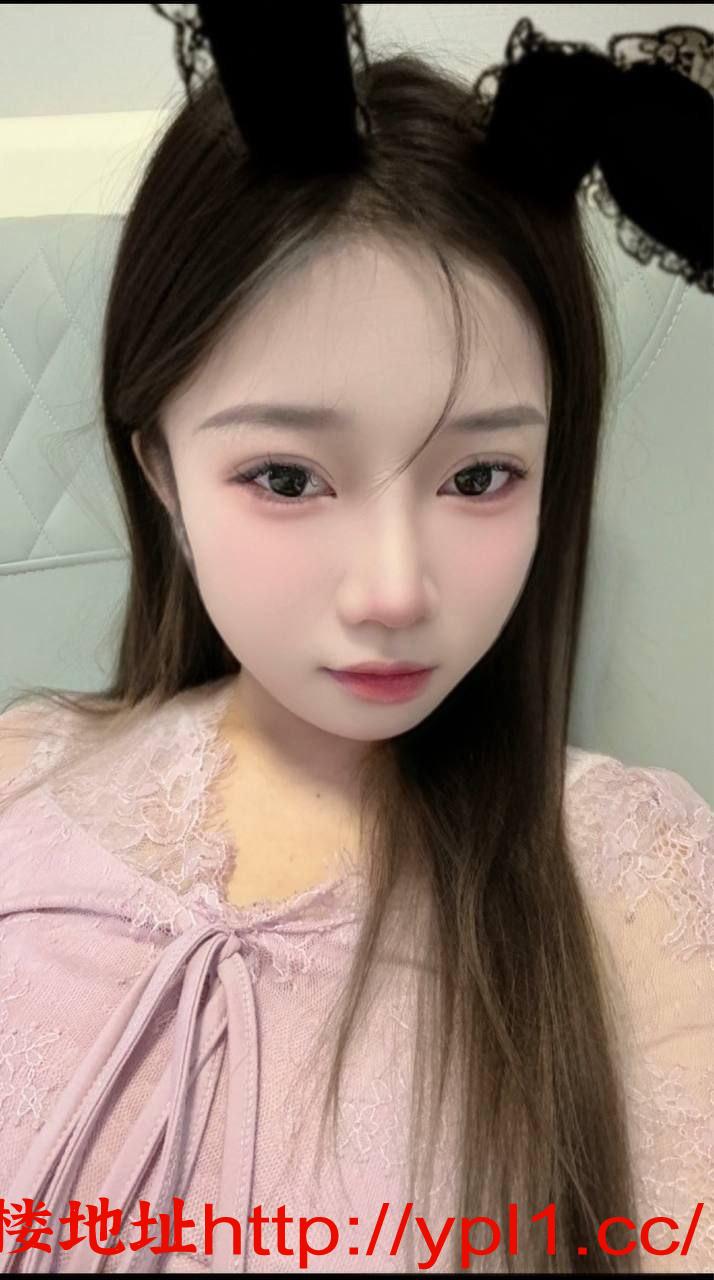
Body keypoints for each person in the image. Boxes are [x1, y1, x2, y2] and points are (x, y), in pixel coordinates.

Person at [0, 7, 712, 1274]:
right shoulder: (21, 781)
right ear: (159, 465)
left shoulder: (636, 883)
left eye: (481, 476)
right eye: (286, 476)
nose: (392, 590)